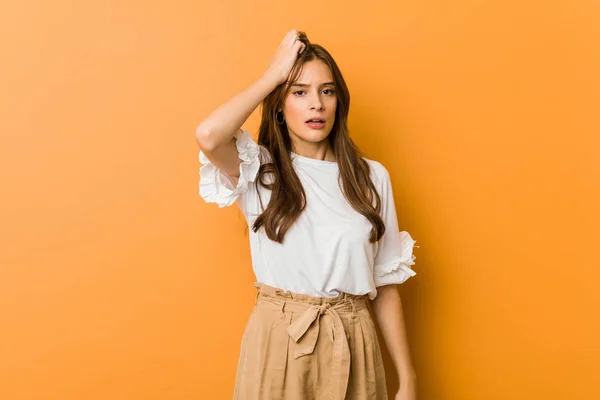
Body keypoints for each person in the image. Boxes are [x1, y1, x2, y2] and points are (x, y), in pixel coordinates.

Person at [196, 29, 418, 400]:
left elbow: (386, 283)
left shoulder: (371, 177)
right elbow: (209, 135)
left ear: (338, 102)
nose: (316, 103)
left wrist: (408, 378)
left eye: (326, 91)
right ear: (279, 104)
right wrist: (272, 75)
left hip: (354, 338)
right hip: (279, 339)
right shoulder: (259, 171)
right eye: (299, 92)